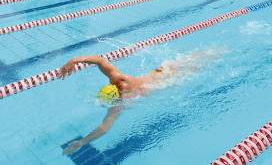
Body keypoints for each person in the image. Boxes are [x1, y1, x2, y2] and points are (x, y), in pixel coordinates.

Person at [61, 49, 222, 154]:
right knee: (203, 57)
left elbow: (104, 127)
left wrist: (82, 142)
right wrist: (75, 60)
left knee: (204, 60)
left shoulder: (120, 94)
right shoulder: (119, 88)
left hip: (171, 78)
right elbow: (100, 61)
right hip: (165, 72)